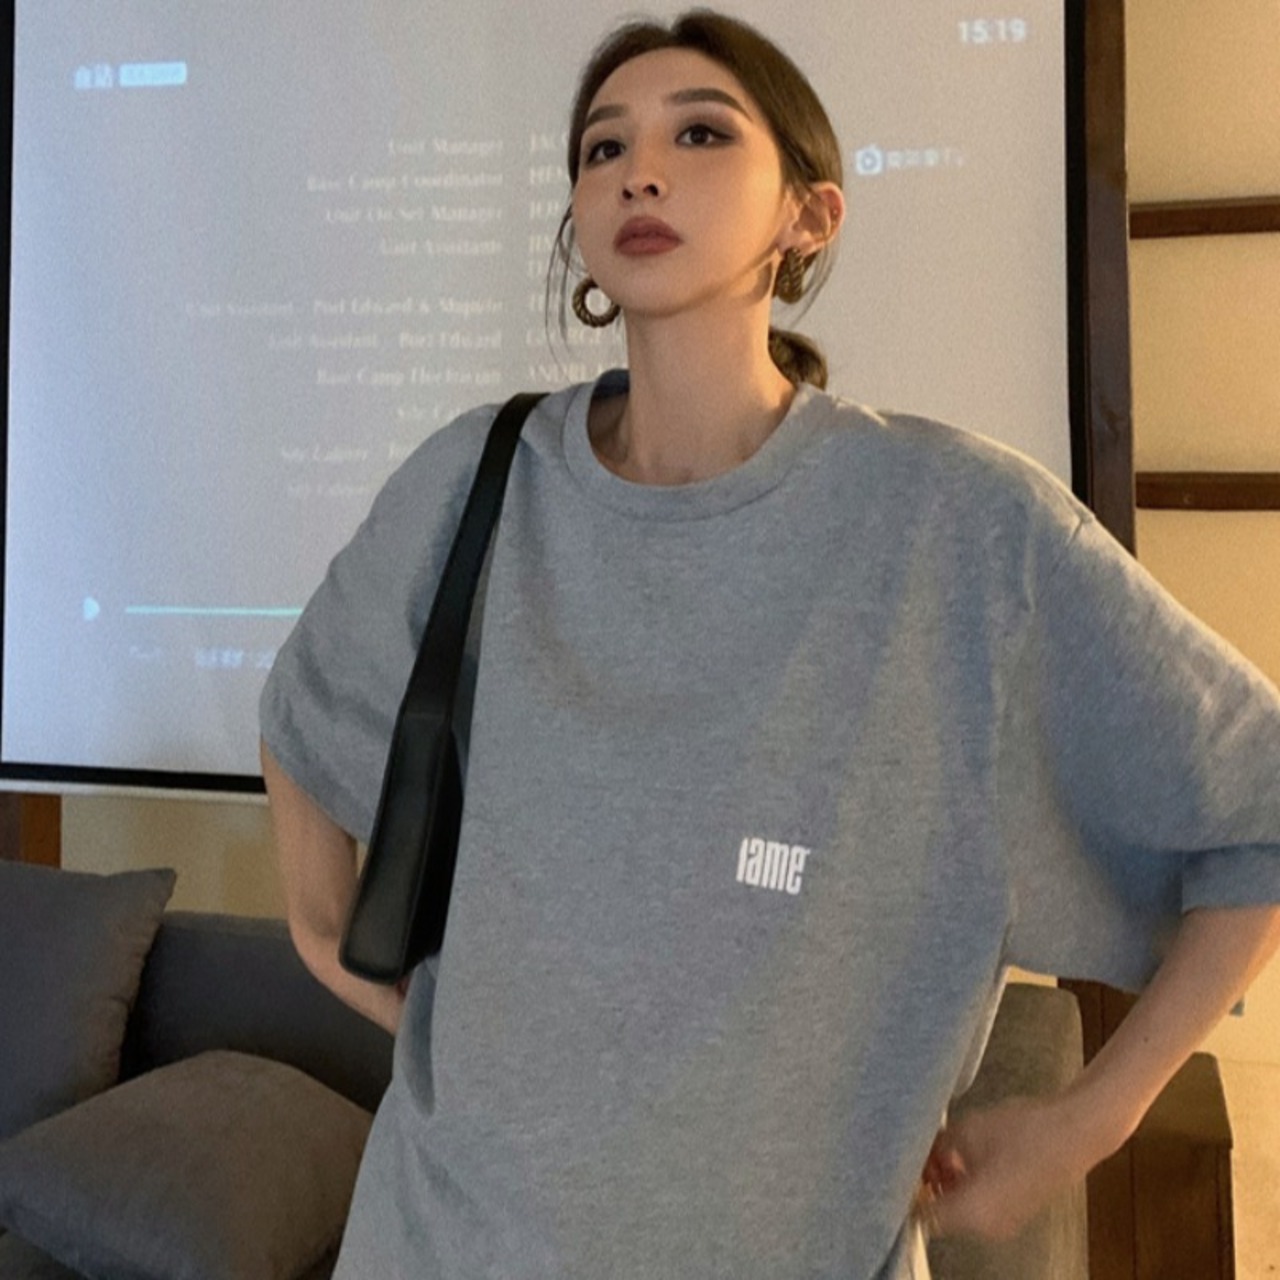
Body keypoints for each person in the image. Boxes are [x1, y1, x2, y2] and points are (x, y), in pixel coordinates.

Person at [260, 10, 1280, 1278]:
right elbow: (304, 711)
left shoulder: (959, 527)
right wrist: (338, 943)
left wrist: (1086, 1119)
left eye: (698, 134)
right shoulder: (478, 479)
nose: (638, 171)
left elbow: (1258, 810)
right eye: (602, 147)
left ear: (809, 214)